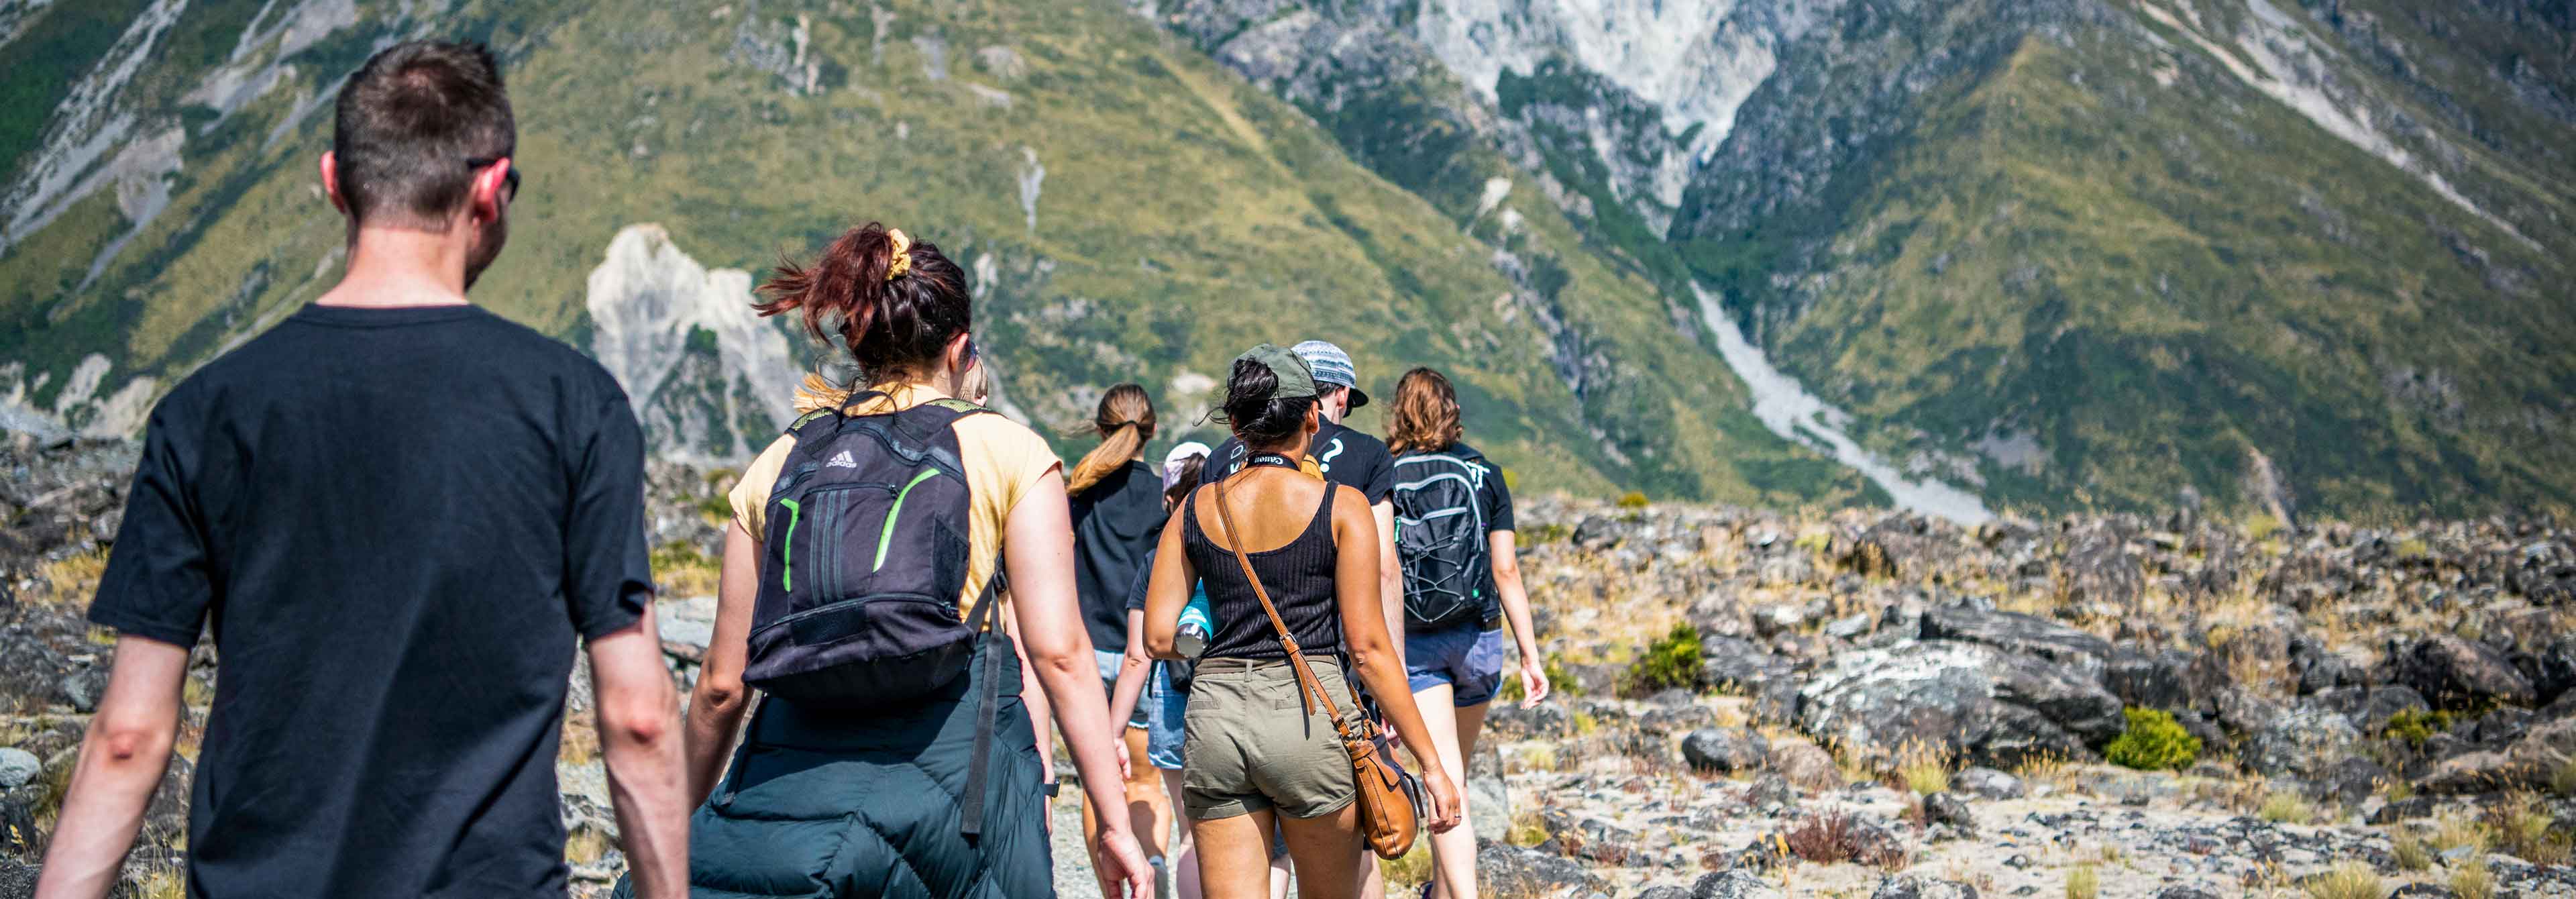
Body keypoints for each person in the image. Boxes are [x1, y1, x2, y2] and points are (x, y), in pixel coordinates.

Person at [34, 40, 688, 899]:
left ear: (335, 180)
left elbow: (128, 734)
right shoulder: (575, 404)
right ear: (490, 191)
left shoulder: (205, 410)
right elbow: (639, 717)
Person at [670, 221, 1148, 898]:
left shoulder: (780, 461)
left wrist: (677, 830)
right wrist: (1112, 823)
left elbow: (721, 685)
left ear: (859, 344)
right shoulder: (1009, 451)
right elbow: (1063, 655)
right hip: (955, 792)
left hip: (791, 780)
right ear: (960, 348)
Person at [1141, 345, 1462, 899]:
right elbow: (1368, 649)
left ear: (1237, 424)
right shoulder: (1342, 507)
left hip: (1217, 719)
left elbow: (1158, 636)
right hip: (1310, 717)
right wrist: (1430, 763)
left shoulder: (1195, 509)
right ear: (1312, 416)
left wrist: (1220, 626)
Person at [1106, 443, 1297, 899]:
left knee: (1195, 836)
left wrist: (1112, 731)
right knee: (1272, 846)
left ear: (1170, 496)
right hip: (1256, 695)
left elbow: (1139, 652)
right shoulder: (1266, 539)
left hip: (1178, 704)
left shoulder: (1161, 555)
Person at [1385, 368, 1548, 899]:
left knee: (1445, 781)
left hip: (1418, 647)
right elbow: (1506, 571)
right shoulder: (1484, 472)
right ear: (1452, 409)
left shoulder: (1387, 474)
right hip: (1480, 640)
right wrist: (1530, 655)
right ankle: (1443, 891)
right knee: (1455, 774)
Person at [1065, 384, 1176, 894]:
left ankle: (1114, 887)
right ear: (1150, 433)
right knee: (1147, 781)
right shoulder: (1162, 498)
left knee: (1099, 783)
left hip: (1085, 659)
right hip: (1144, 660)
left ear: (1101, 429)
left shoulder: (1078, 494)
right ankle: (1152, 864)